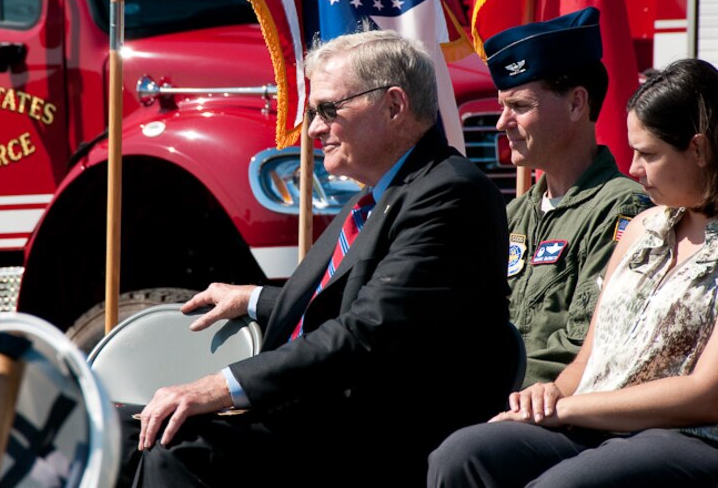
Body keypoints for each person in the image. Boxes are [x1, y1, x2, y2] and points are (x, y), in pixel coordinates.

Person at [117, 29, 516, 486]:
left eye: (329, 110)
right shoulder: (379, 195)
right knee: (117, 434)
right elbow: (349, 300)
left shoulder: (448, 194)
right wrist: (254, 300)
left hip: (377, 437)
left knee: (176, 448)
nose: (313, 129)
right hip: (324, 414)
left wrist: (219, 386)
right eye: (313, 113)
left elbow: (369, 331)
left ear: (394, 105)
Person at [428, 58, 718, 487]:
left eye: (649, 154)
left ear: (698, 149)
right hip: (593, 421)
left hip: (683, 433)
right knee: (463, 454)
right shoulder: (644, 228)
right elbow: (591, 353)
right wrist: (552, 393)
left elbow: (705, 394)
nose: (634, 168)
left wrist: (567, 408)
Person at [484, 7, 651, 386]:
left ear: (577, 103)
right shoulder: (515, 214)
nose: (502, 123)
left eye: (520, 106)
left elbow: (583, 344)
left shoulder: (620, 210)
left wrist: (489, 392)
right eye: (502, 107)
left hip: (556, 415)